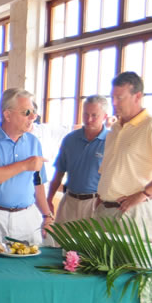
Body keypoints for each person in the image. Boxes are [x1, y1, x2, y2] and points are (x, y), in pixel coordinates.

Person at [96, 71, 152, 239]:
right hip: (105, 210)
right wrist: (101, 197)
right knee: (98, 263)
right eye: (113, 97)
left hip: (134, 212)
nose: (114, 103)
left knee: (131, 264)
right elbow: (108, 169)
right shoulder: (115, 129)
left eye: (120, 98)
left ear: (137, 96)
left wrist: (144, 194)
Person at [0, 88, 54, 246]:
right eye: (26, 112)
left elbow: (38, 183)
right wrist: (24, 165)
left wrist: (47, 216)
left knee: (26, 266)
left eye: (33, 112)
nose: (32, 117)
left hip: (26, 217)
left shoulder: (33, 142)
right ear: (7, 114)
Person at [46, 95, 108, 224]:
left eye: (94, 115)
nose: (89, 119)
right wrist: (49, 199)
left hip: (95, 203)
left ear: (105, 117)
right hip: (69, 201)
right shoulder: (70, 139)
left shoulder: (111, 141)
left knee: (90, 244)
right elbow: (59, 172)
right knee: (59, 242)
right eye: (85, 114)